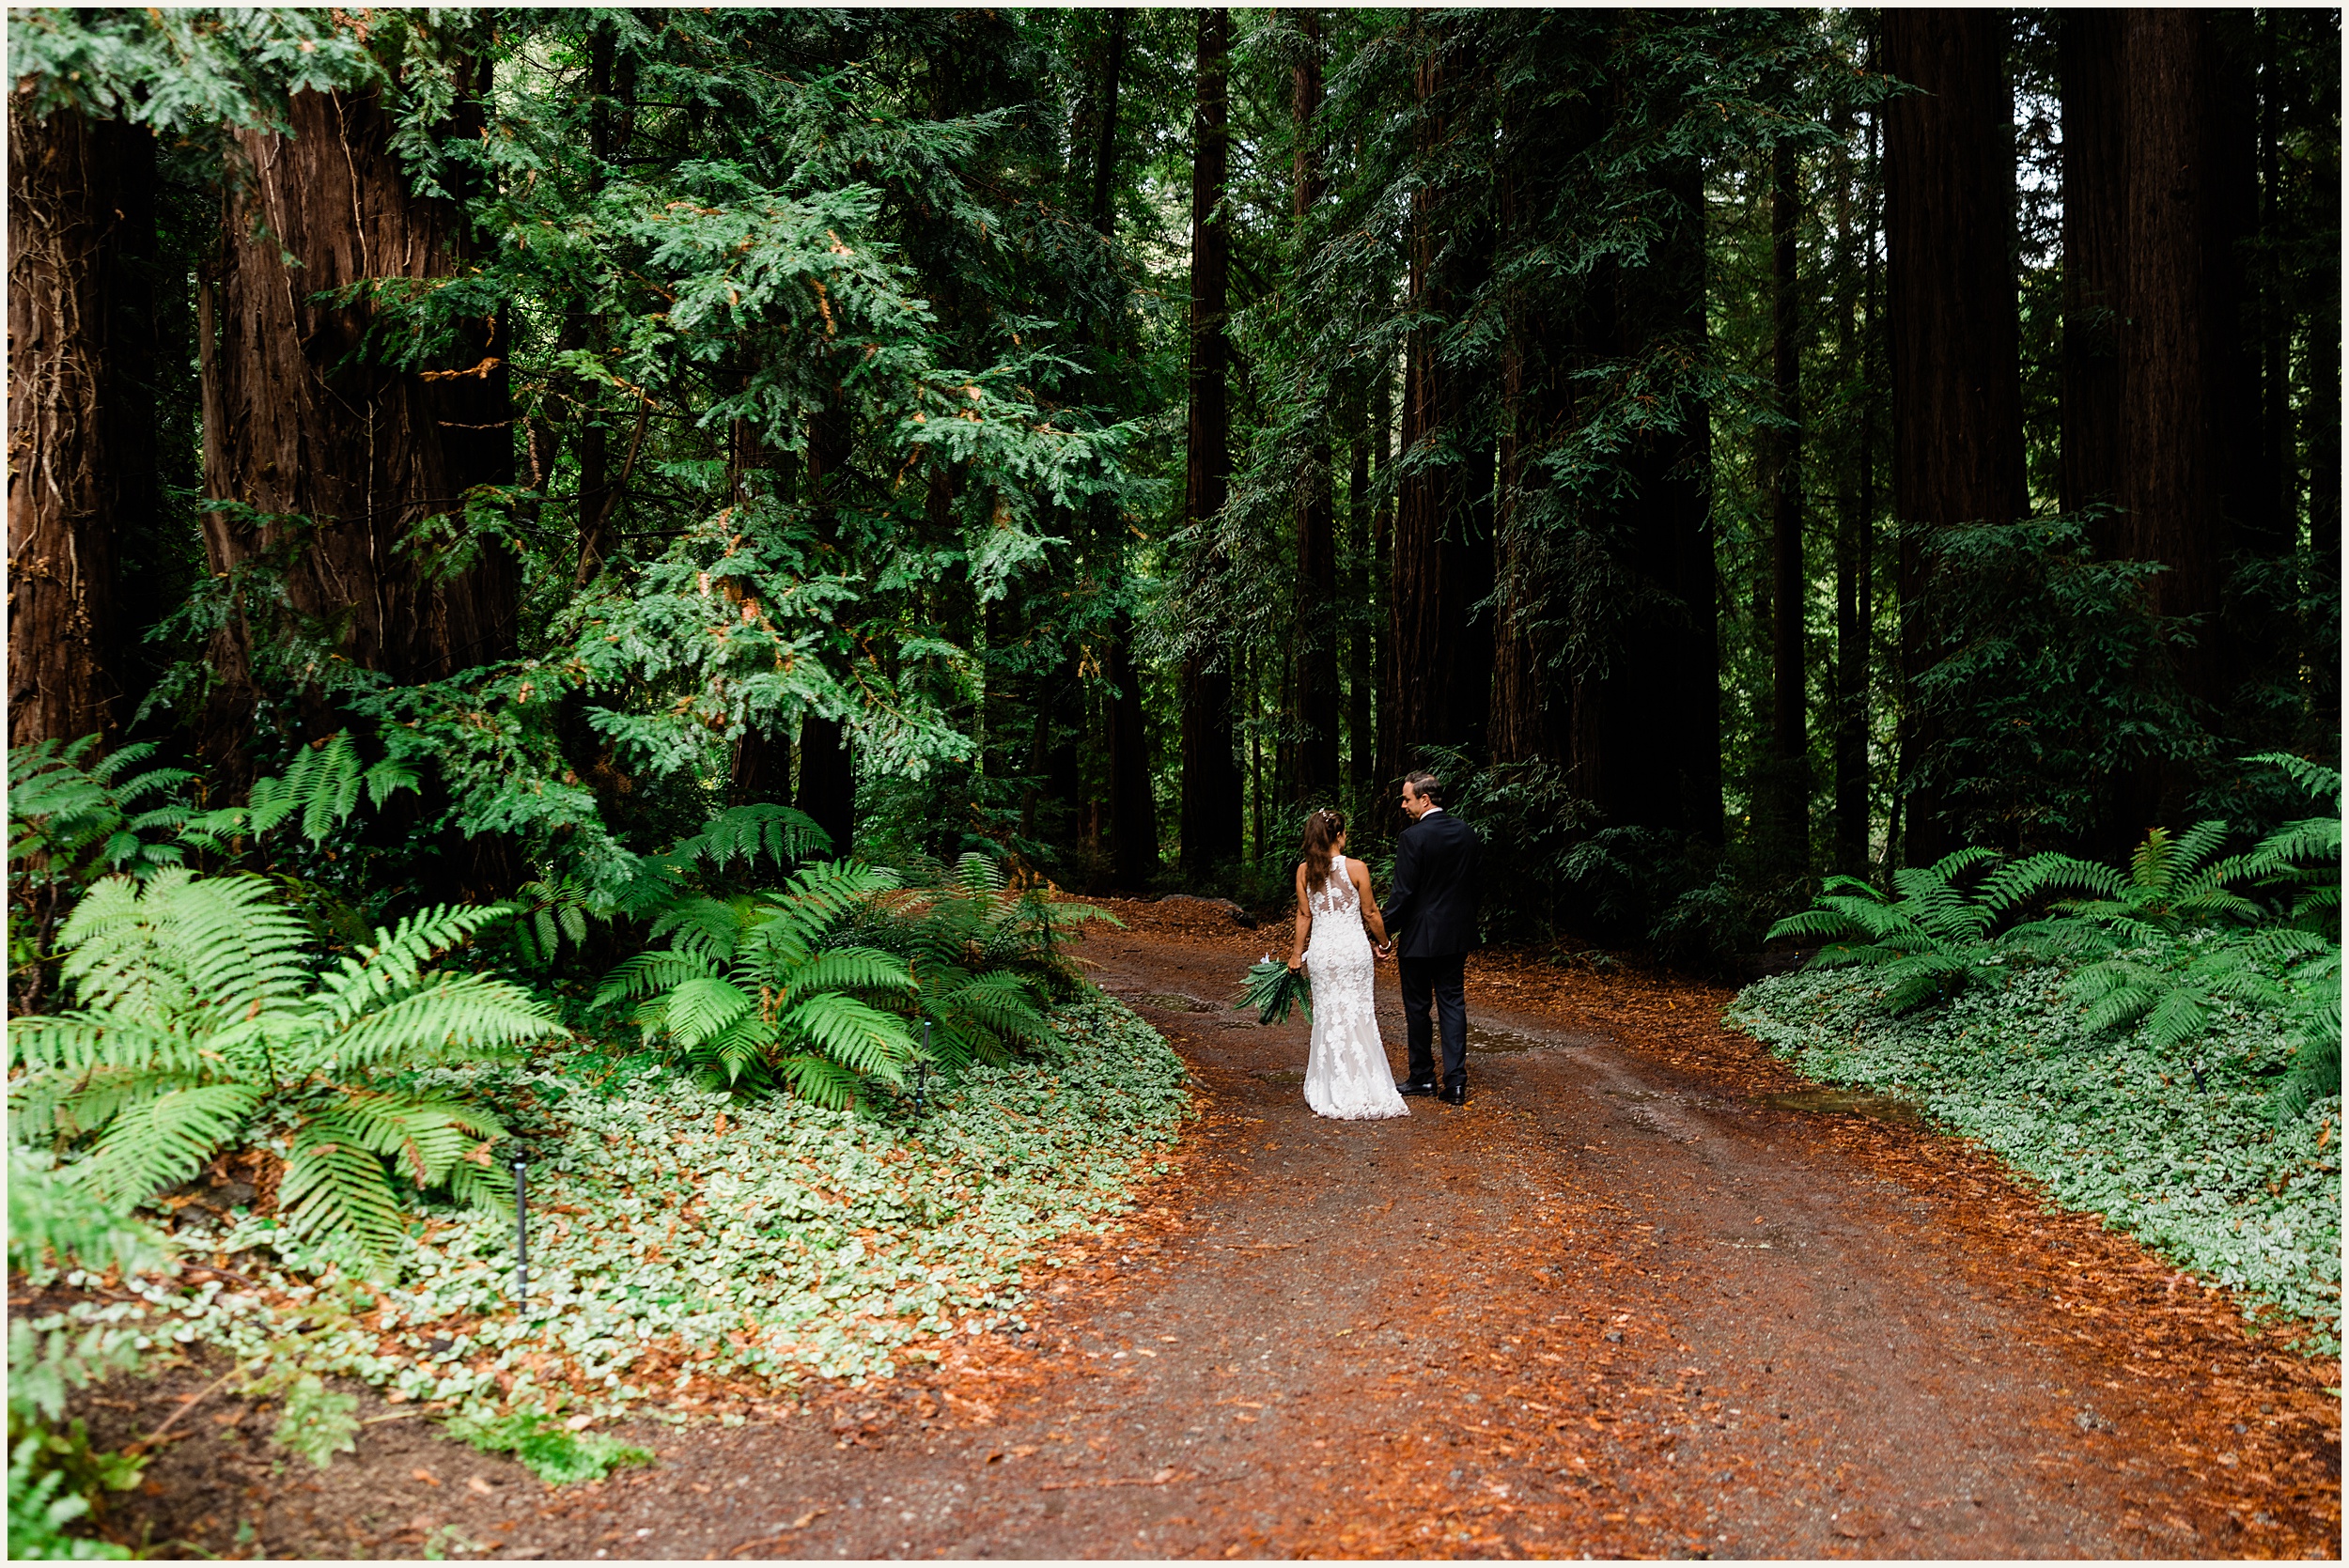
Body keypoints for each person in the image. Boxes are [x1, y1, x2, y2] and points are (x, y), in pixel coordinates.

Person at [1284, 810, 1408, 1121]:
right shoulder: (1356, 867)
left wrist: (1296, 954)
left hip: (1324, 953)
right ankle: (1364, 1082)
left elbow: (1304, 915)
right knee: (1359, 1014)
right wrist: (1384, 943)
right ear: (1339, 836)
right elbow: (1370, 913)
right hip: (1353, 952)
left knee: (1328, 1016)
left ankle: (1331, 1084)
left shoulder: (1304, 871)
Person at [1377, 769, 1482, 1106]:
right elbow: (1475, 885)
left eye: (1407, 799)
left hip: (1420, 937)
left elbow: (1403, 895)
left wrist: (1380, 933)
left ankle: (1422, 1077)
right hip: (1456, 935)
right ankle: (1455, 1084)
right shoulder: (1467, 833)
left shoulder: (1413, 838)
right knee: (1452, 1003)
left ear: (1424, 799)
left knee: (1418, 1008)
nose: (1404, 806)